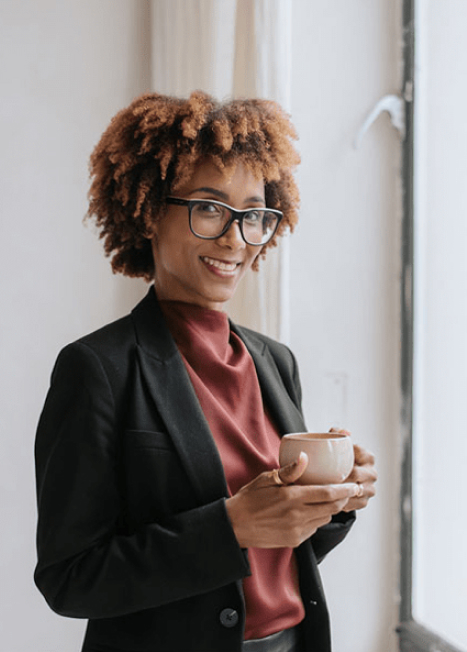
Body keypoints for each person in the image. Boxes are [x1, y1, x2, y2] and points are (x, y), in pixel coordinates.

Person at [34, 91, 377, 652]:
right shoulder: (97, 370)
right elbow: (70, 579)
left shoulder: (275, 361)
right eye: (210, 208)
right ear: (148, 213)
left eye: (255, 215)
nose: (235, 239)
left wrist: (332, 504)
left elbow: (280, 555)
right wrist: (231, 526)